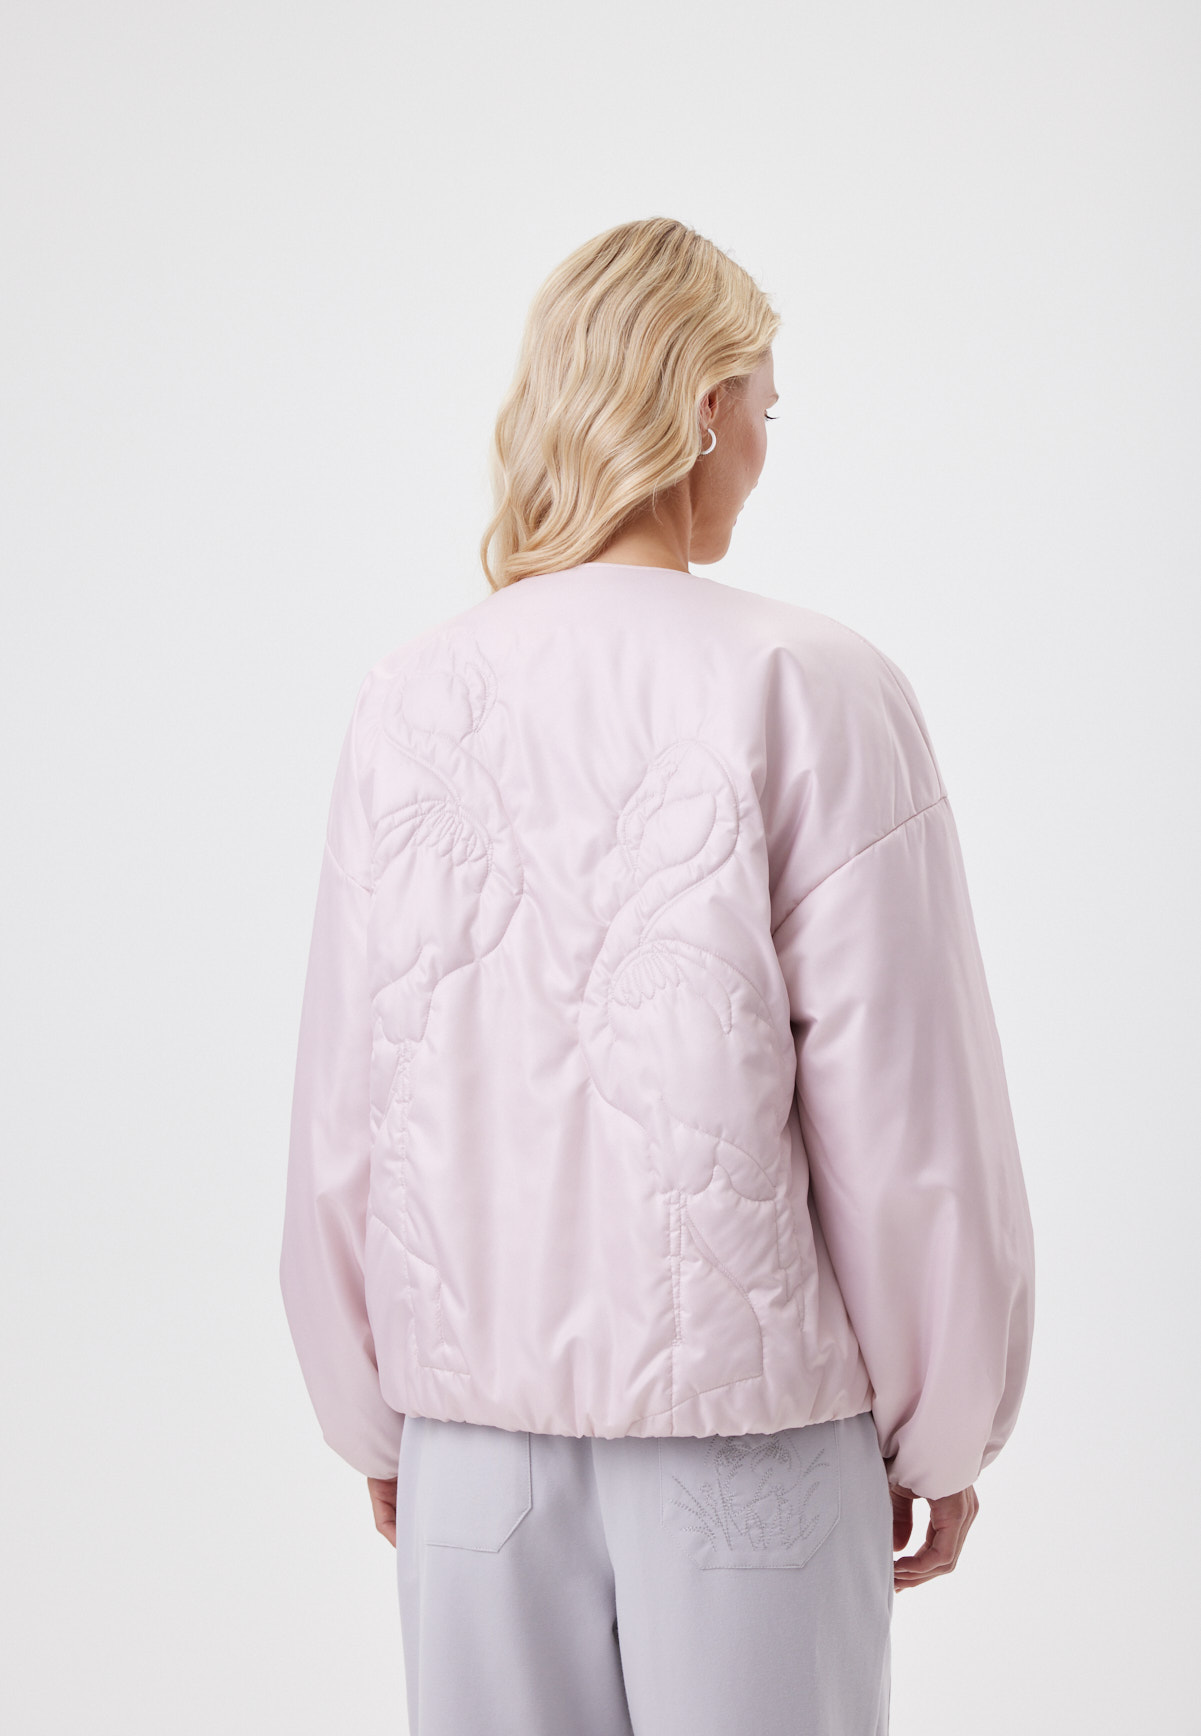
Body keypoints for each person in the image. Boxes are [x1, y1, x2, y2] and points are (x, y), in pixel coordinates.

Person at [279, 216, 1036, 1735]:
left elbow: (346, 1104)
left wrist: (374, 1411)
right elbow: (903, 1121)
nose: (762, 449)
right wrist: (946, 1426)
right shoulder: (811, 683)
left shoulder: (410, 694)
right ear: (704, 407)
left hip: (473, 1452)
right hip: (748, 1452)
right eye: (765, 409)